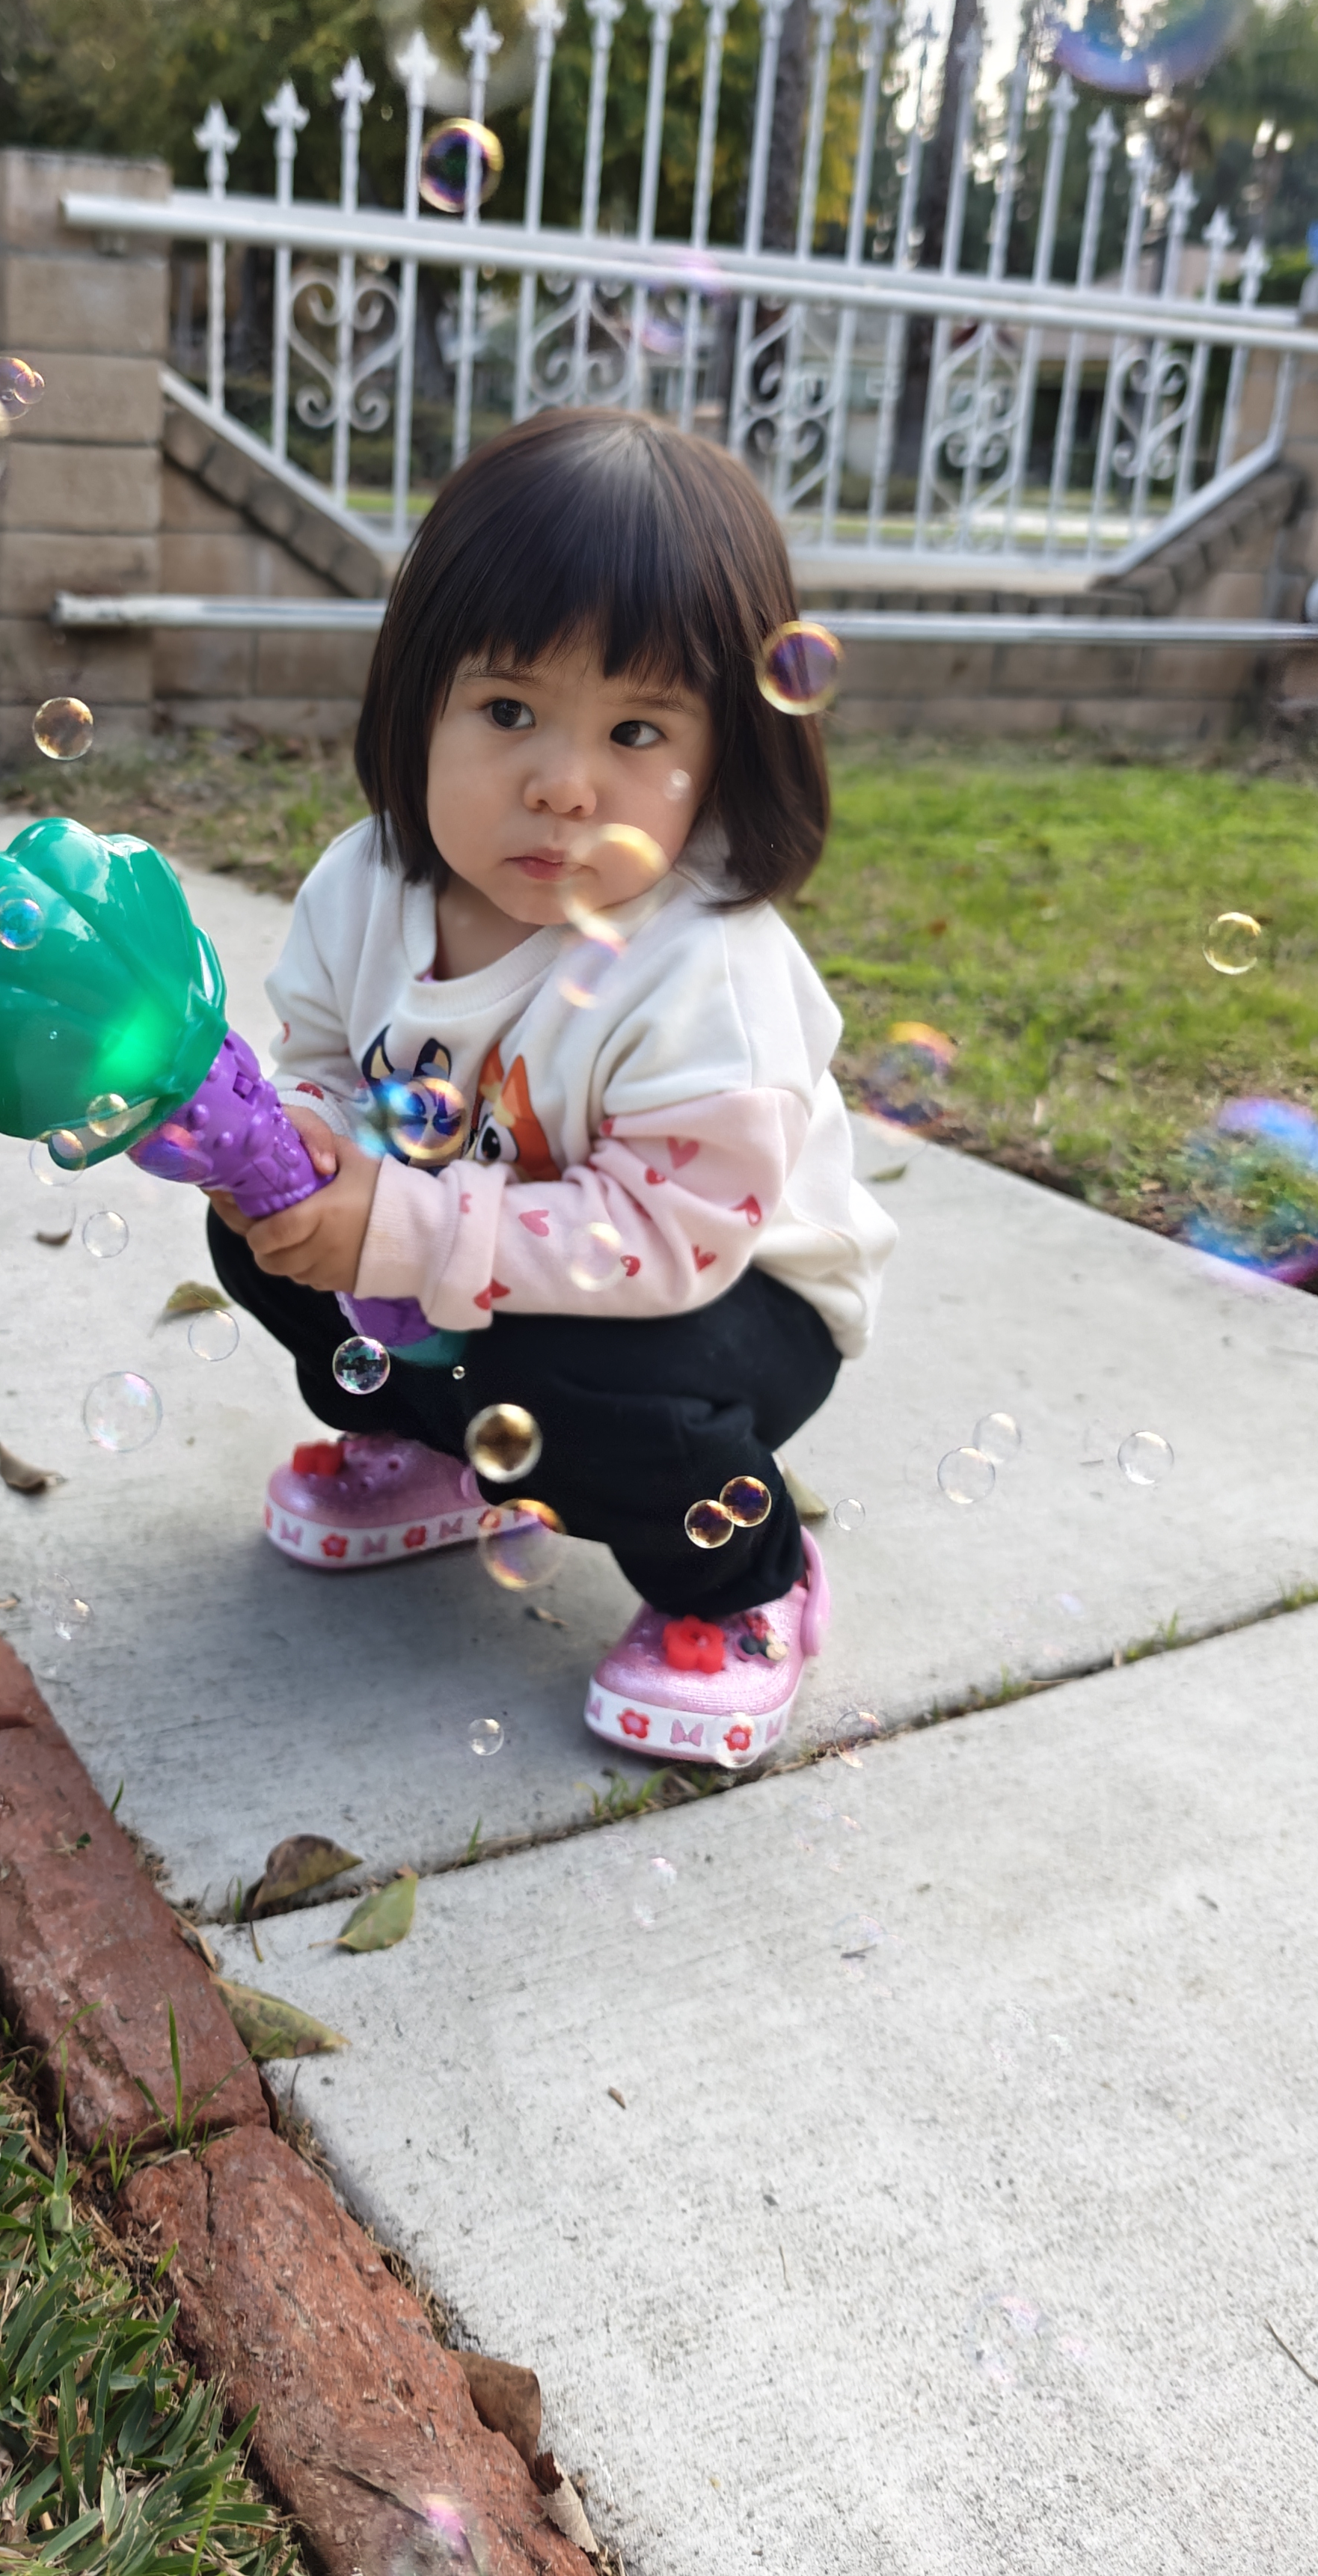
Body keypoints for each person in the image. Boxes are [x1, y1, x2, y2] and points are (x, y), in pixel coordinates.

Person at [206, 408, 895, 1766]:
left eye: (637, 729)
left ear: (731, 758)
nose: (564, 786)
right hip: (487, 1256)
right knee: (266, 1243)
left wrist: (398, 1228)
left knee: (579, 1375)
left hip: (728, 1296)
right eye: (509, 709)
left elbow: (666, 1239)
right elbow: (331, 1076)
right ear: (418, 702)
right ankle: (444, 1452)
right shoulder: (367, 885)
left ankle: (744, 1583)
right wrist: (278, 1149)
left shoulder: (706, 969)